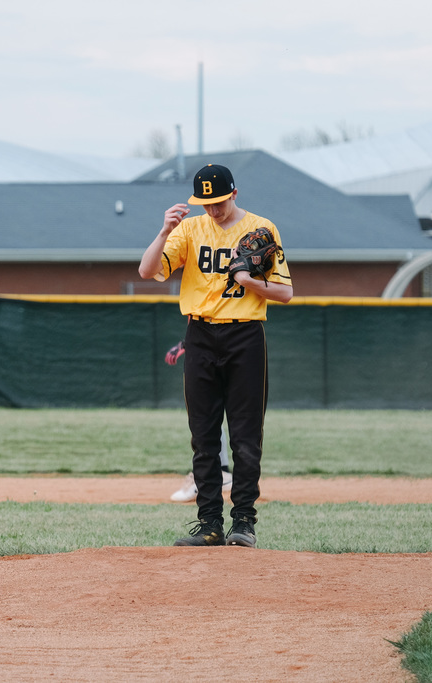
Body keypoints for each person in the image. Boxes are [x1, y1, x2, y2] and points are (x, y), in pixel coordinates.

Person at [139, 164, 292, 548]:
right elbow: (146, 271)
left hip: (245, 335)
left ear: (234, 194)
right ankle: (209, 523)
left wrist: (249, 281)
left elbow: (285, 293)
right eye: (205, 203)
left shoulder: (262, 229)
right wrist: (163, 232)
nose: (212, 210)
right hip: (200, 335)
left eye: (219, 201)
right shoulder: (188, 229)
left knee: (245, 436)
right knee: (203, 435)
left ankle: (243, 522)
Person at [164, 340, 232, 502]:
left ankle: (213, 474)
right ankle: (221, 473)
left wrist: (188, 342)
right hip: (214, 340)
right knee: (207, 412)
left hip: (225, 342)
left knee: (206, 412)